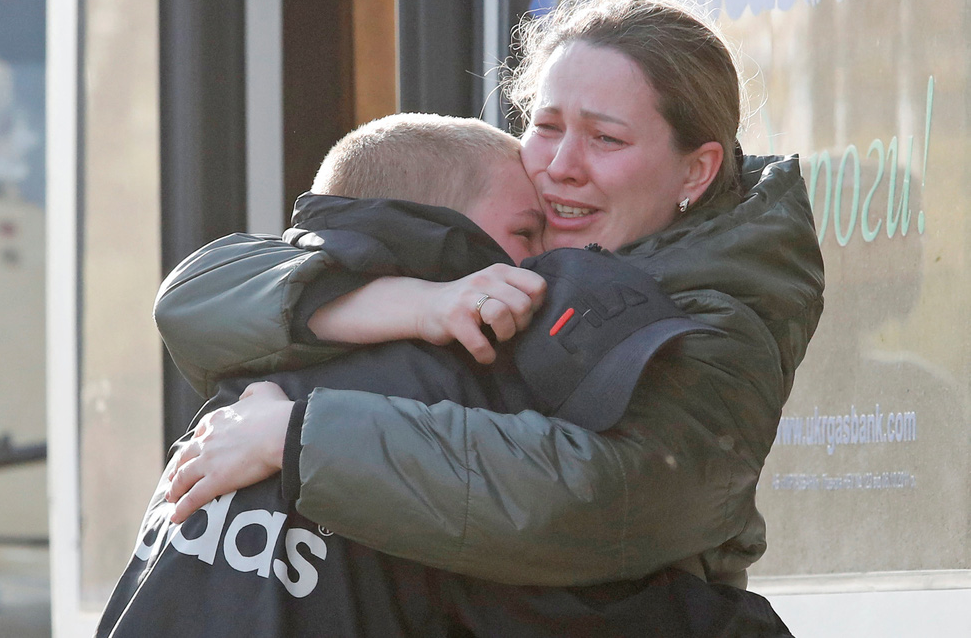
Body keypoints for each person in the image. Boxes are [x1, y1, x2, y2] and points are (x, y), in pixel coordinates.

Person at [157, 0, 824, 632]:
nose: (562, 165)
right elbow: (196, 298)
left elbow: (588, 501)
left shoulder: (719, 321)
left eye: (607, 140)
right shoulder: (502, 259)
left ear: (695, 172)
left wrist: (297, 436)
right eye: (548, 126)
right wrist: (417, 304)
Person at [99, 113, 751, 637]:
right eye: (526, 232)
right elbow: (566, 607)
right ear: (436, 232)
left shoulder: (251, 379)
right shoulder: (453, 390)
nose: (545, 263)